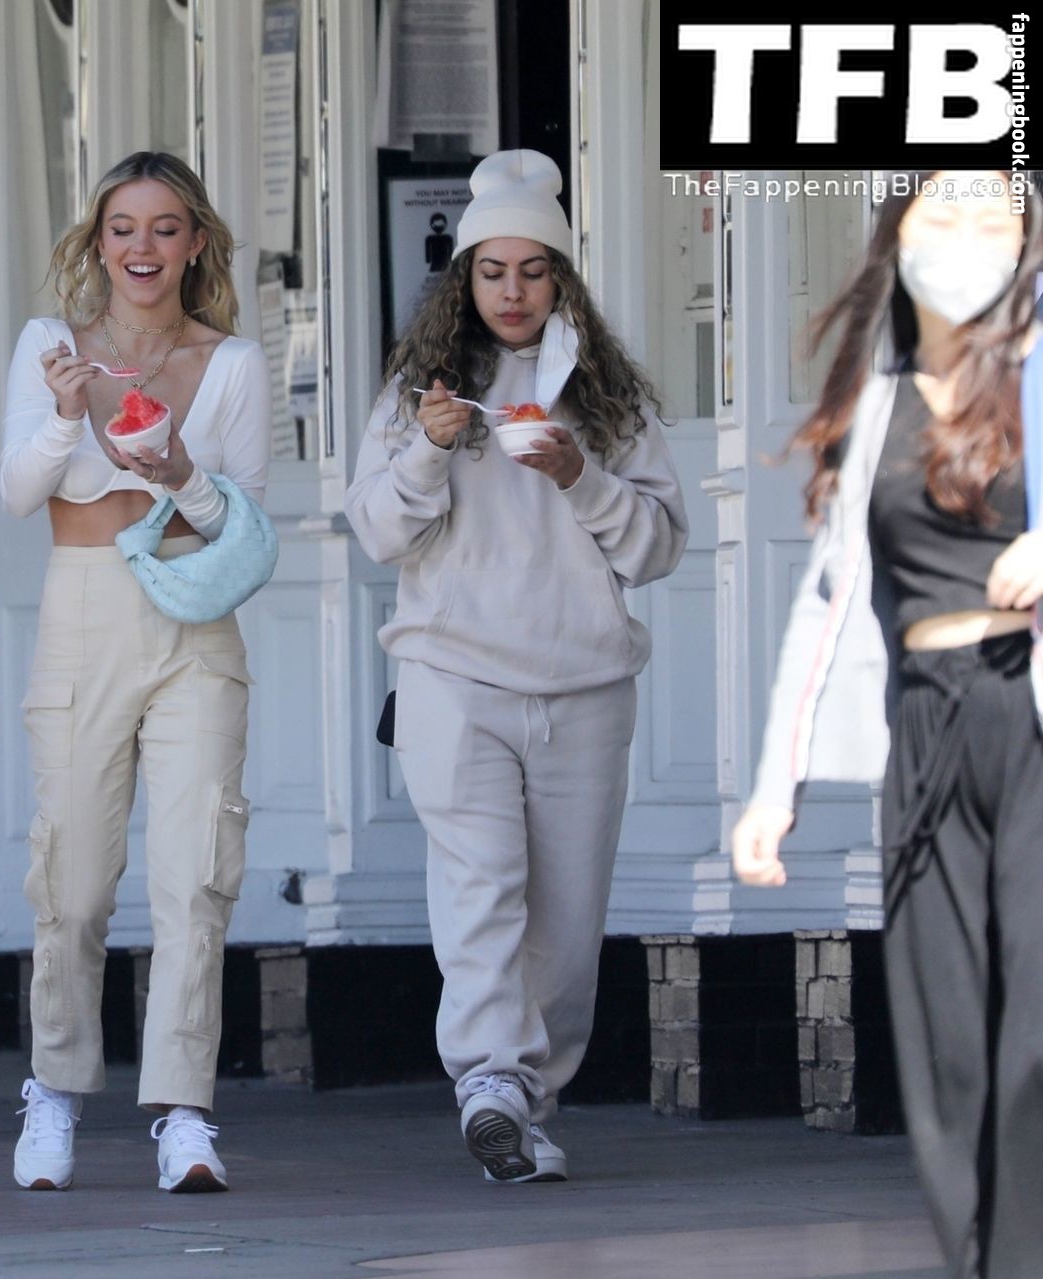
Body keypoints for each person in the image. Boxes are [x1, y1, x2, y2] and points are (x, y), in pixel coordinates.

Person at [343, 149, 688, 1184]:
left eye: (533, 270)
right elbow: (377, 531)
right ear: (465, 279)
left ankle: (529, 1106)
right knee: (480, 887)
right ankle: (489, 1079)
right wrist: (427, 449)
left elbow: (658, 547)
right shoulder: (420, 392)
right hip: (453, 677)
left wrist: (581, 474)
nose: (512, 291)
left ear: (561, 279)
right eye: (493, 271)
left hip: (586, 685)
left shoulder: (606, 398)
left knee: (568, 923)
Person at [731, 171, 1043, 1279]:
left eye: (996, 212)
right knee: (945, 1035)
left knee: (1034, 1024)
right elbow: (827, 599)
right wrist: (774, 788)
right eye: (942, 209)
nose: (967, 233)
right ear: (898, 232)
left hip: (1030, 716)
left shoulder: (1040, 374)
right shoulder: (878, 400)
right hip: (925, 724)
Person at [0, 150, 270, 1194]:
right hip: (82, 604)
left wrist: (181, 471)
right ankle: (55, 1088)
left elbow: (242, 525)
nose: (142, 248)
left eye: (164, 228)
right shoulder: (50, 345)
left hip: (193, 615)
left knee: (196, 874)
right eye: (123, 228)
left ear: (195, 242)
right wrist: (68, 415)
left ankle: (185, 1111)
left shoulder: (232, 364)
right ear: (98, 241)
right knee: (71, 878)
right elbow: (19, 491)